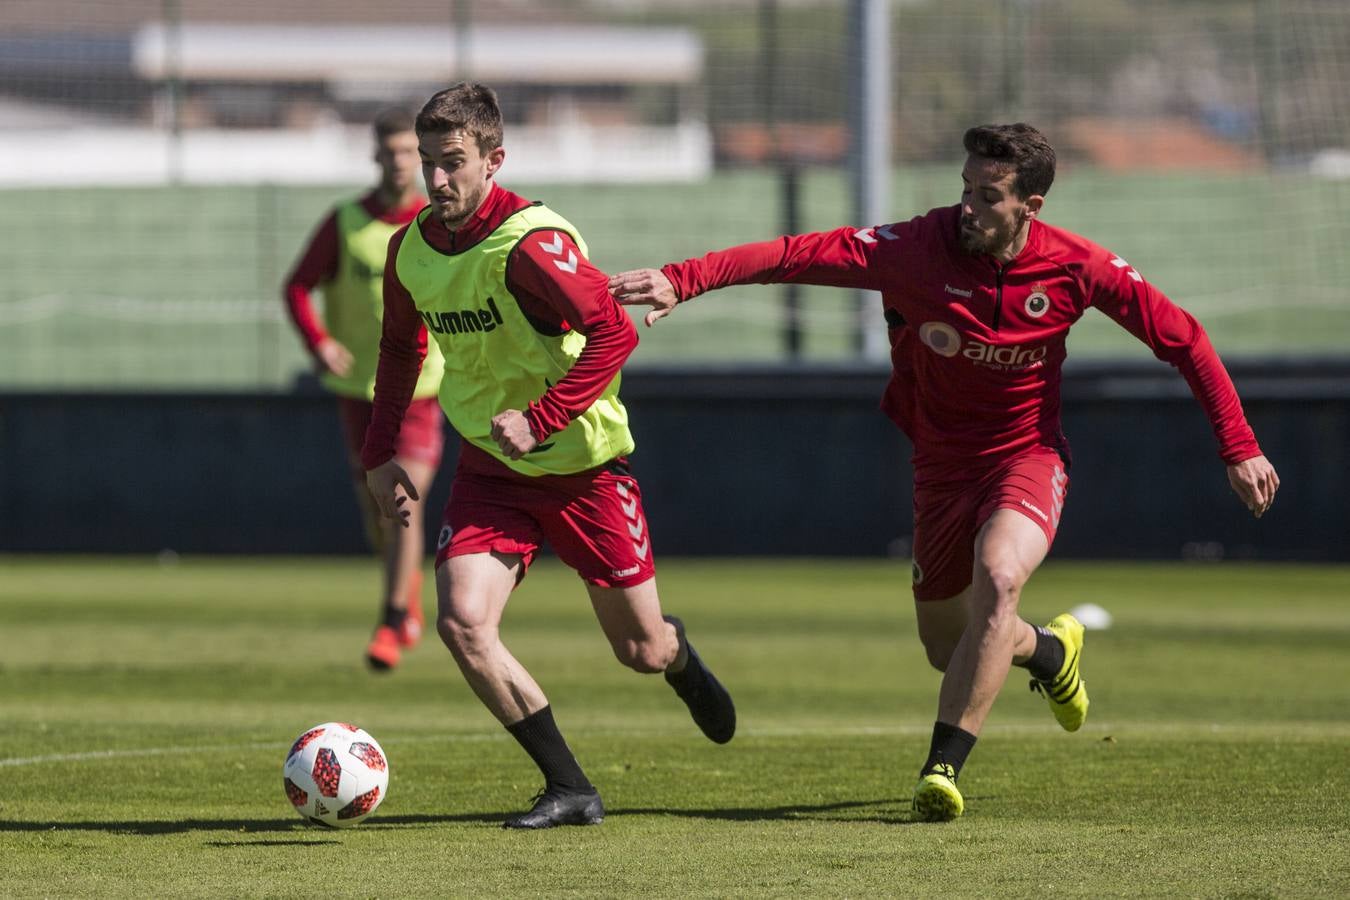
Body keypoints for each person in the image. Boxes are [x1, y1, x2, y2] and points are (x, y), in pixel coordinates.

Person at [609, 123, 1280, 822]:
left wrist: (1239, 445)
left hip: (1027, 457)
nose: (968, 207)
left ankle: (942, 767)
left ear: (1032, 205)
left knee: (1001, 577)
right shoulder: (912, 250)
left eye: (987, 196)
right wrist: (683, 280)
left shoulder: (1079, 267)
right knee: (946, 646)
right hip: (940, 470)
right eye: (964, 188)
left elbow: (1184, 339)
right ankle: (1048, 653)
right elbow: (791, 255)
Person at [361, 82, 736, 829]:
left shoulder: (531, 244)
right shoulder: (411, 251)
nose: (437, 181)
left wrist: (543, 416)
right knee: (463, 624)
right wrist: (379, 452)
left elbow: (616, 335)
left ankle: (678, 654)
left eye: (454, 163)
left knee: (641, 650)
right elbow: (402, 346)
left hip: (585, 472)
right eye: (429, 163)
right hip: (492, 473)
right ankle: (569, 786)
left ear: (495, 160)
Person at [283, 108, 446, 671]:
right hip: (359, 390)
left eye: (410, 153)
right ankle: (406, 593)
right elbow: (297, 287)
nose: (400, 162)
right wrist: (320, 342)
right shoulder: (347, 221)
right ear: (375, 156)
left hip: (421, 388)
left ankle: (391, 617)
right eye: (392, 152)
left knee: (402, 501)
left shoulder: (434, 223)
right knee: (377, 512)